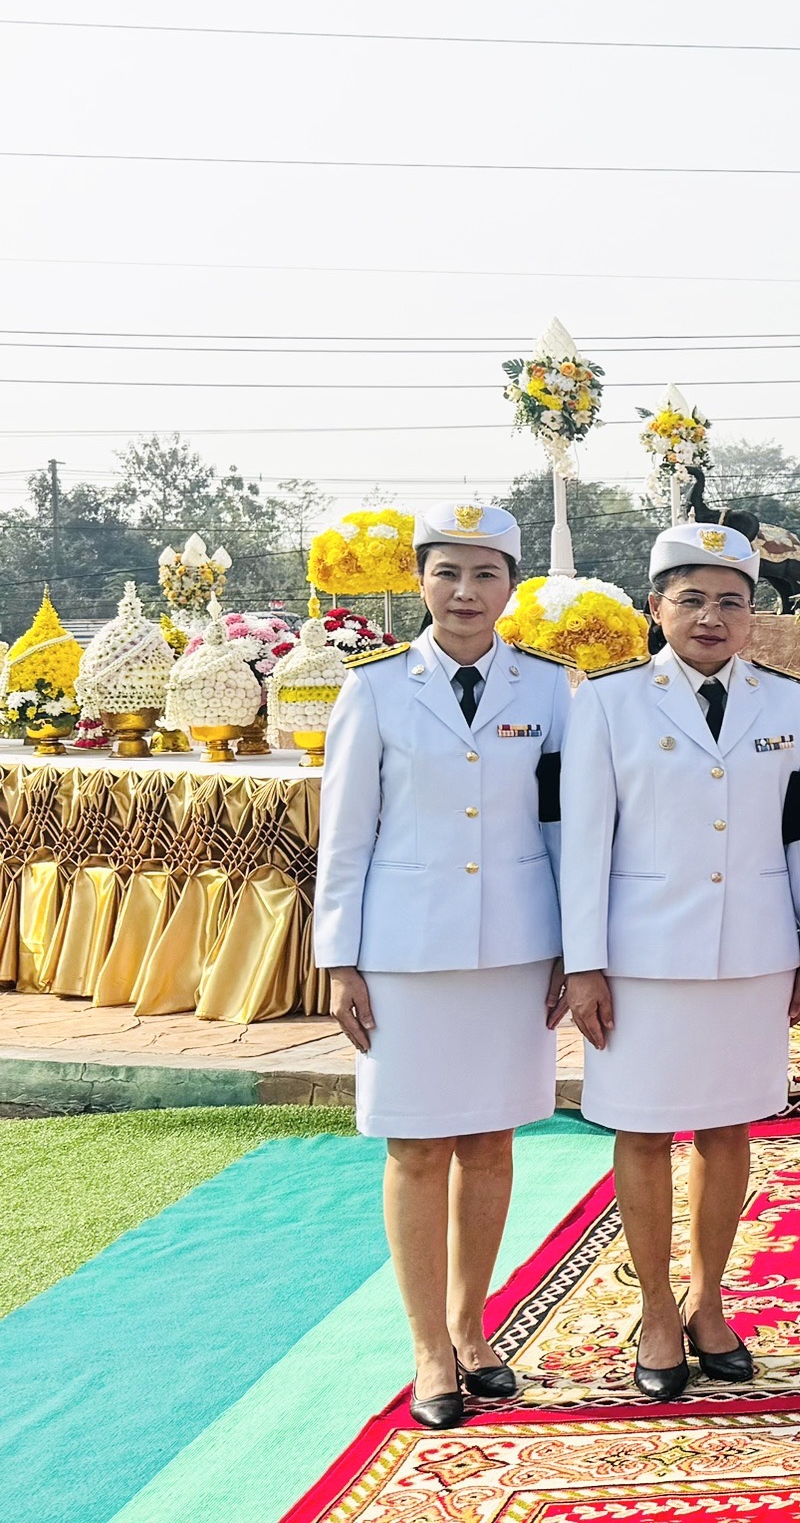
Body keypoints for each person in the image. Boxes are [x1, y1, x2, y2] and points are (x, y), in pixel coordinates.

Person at [558, 522, 800, 1397]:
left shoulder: (786, 703)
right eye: (692, 600)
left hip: (752, 948)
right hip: (642, 957)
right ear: (655, 607)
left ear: (753, 615)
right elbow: (584, 840)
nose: (711, 617)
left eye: (730, 602)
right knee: (642, 1131)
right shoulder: (607, 701)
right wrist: (584, 962)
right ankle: (655, 1310)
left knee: (728, 1127)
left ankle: (709, 1301)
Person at [314, 503, 570, 1429]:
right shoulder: (376, 688)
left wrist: (574, 947)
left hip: (515, 945)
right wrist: (339, 957)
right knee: (418, 1145)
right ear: (420, 580)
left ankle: (471, 1326)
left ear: (511, 586)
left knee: (493, 1140)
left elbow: (563, 824)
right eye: (447, 573)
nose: (465, 592)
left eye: (485, 574)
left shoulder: (550, 689)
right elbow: (346, 831)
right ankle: (428, 1347)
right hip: (406, 952)